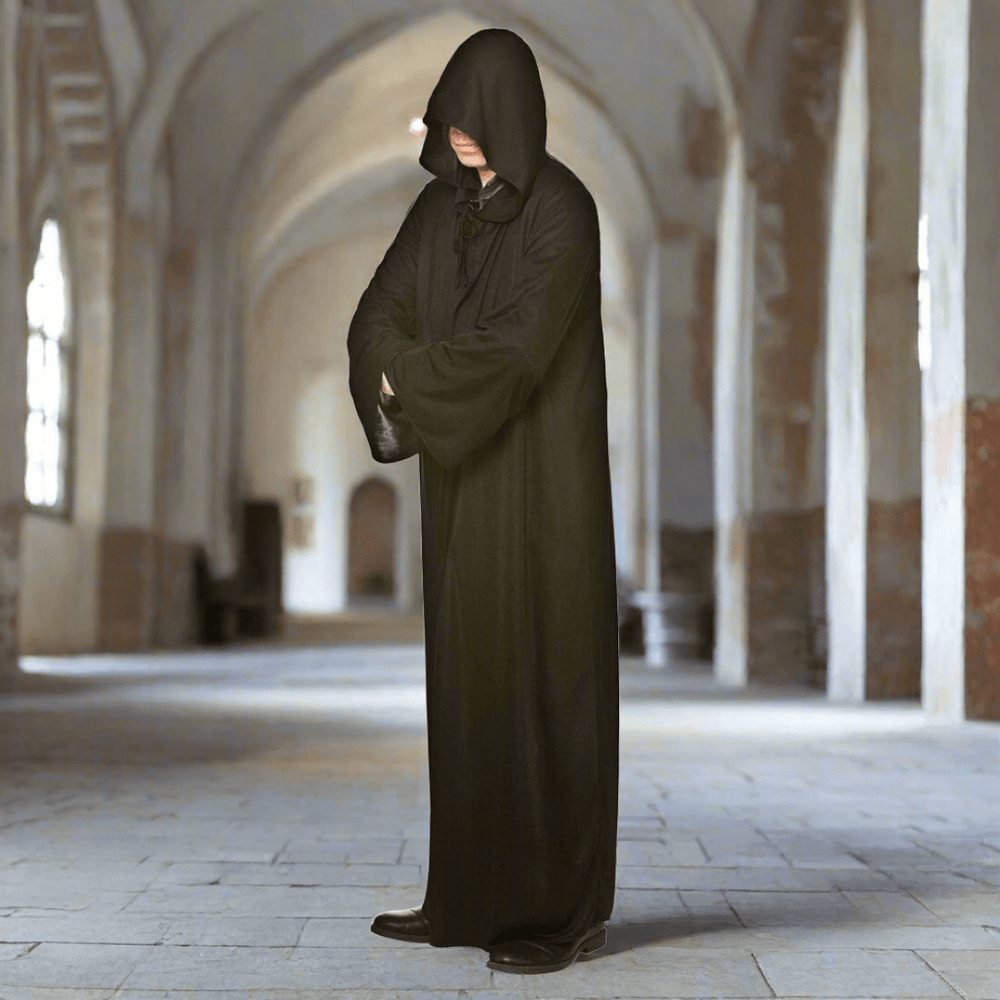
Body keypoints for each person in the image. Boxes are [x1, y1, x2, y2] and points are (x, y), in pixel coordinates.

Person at [347, 27, 619, 976]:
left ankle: (560, 911)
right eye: (451, 116)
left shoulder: (565, 211)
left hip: (546, 494)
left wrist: (402, 383)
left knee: (548, 683)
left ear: (520, 118)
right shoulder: (434, 213)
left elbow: (516, 346)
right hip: (462, 492)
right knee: (468, 689)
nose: (463, 135)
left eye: (482, 117)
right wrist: (398, 373)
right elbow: (374, 314)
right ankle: (466, 897)